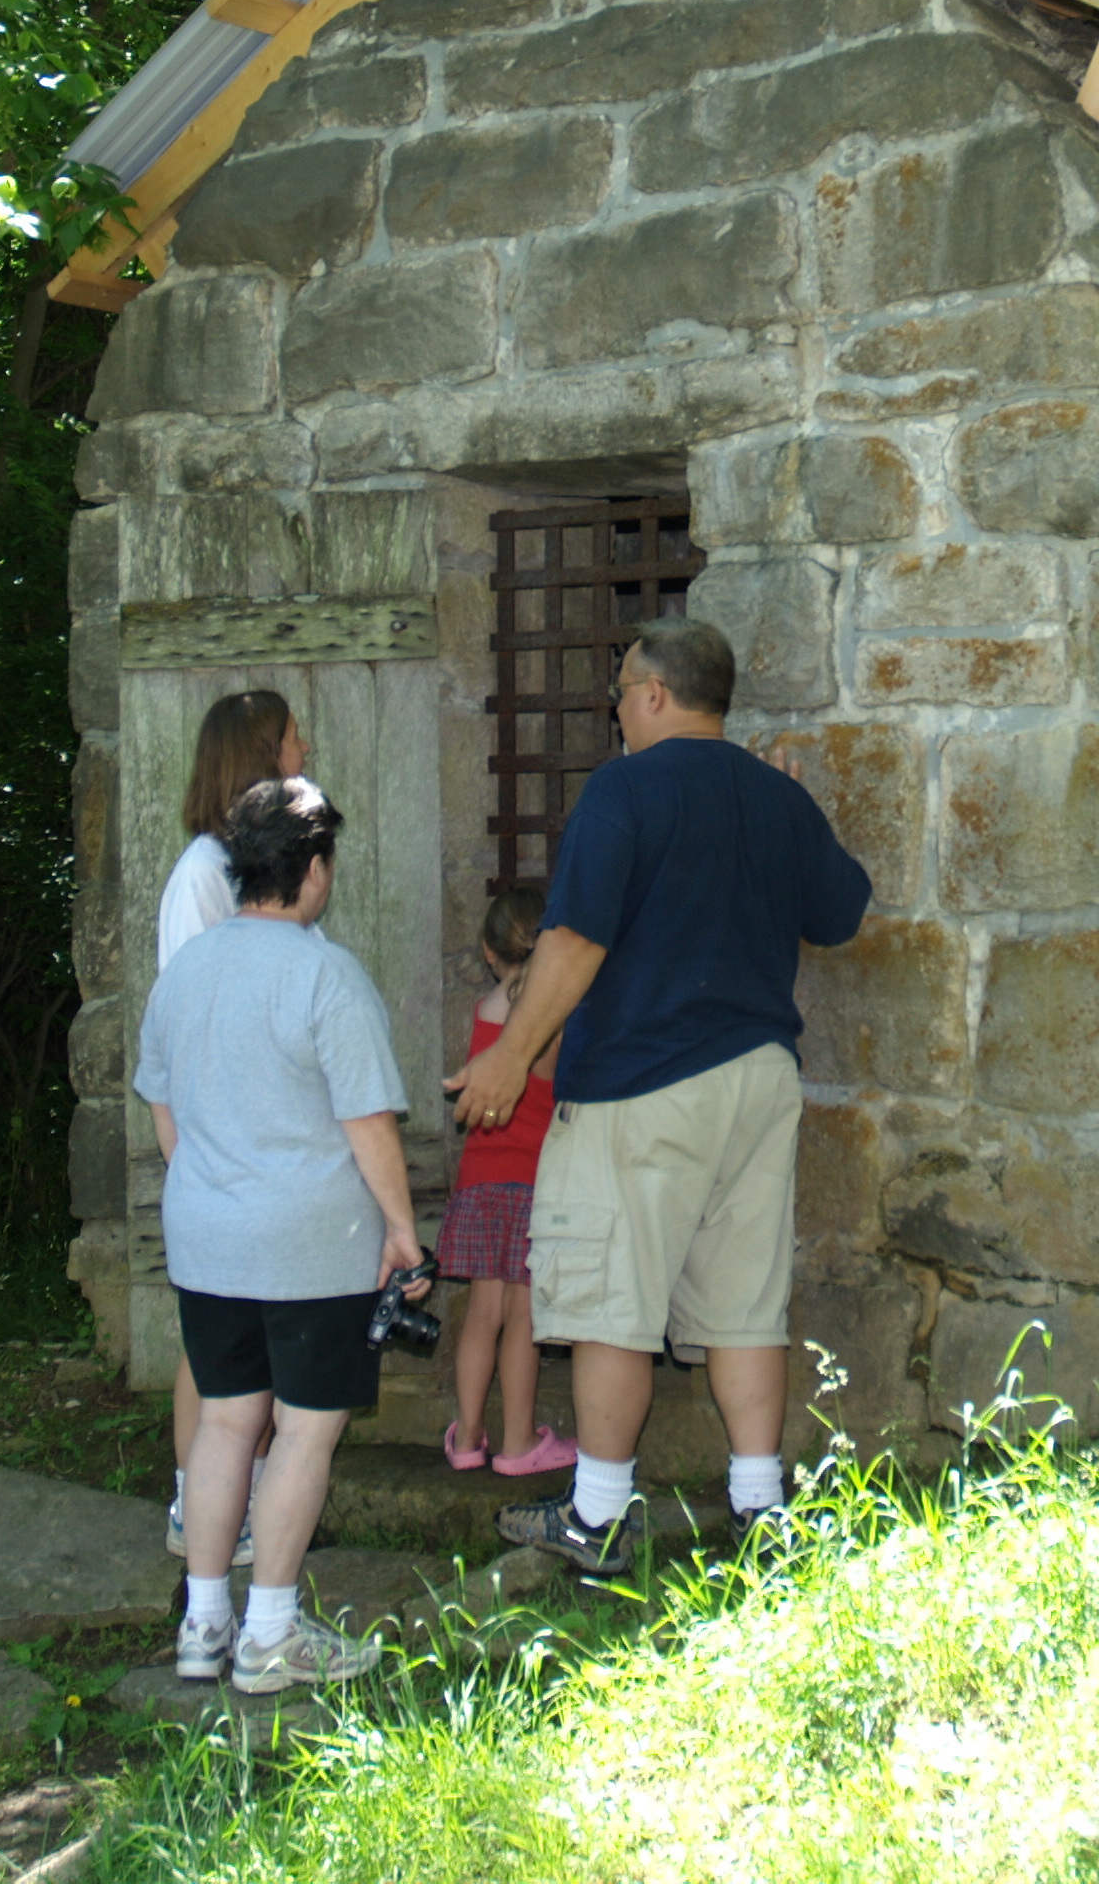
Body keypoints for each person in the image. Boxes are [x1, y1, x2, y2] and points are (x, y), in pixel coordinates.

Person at [448, 618, 873, 1580]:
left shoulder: (624, 789)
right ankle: (760, 1505)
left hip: (643, 1084)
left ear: (653, 694)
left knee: (611, 1305)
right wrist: (797, 817)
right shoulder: (775, 797)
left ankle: (599, 1513)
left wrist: (512, 1056)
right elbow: (841, 910)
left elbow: (575, 940)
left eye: (619, 691)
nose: (614, 712)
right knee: (745, 1303)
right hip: (761, 1082)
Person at [134, 775, 418, 1696]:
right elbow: (369, 1124)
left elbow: (164, 1112)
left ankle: (203, 1623)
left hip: (207, 1237)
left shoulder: (187, 972)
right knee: (302, 1433)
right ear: (313, 871)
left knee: (224, 1422)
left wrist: (211, 1190)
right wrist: (403, 1232)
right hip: (312, 1239)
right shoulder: (324, 973)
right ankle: (270, 1633)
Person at [153, 689, 303, 1565]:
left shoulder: (248, 867)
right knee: (213, 1347)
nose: (306, 747)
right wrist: (200, 1162)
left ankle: (232, 1501)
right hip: (222, 1152)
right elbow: (185, 1030)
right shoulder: (204, 877)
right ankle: (196, 1504)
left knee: (246, 1339)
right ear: (260, 754)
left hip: (257, 1153)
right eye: (293, 737)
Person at [438, 886, 577, 1477]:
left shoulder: (488, 1011)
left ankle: (468, 1438)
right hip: (534, 1182)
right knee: (525, 1320)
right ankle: (519, 1443)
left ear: (491, 953)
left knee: (481, 1313)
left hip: (480, 1181)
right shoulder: (554, 1020)